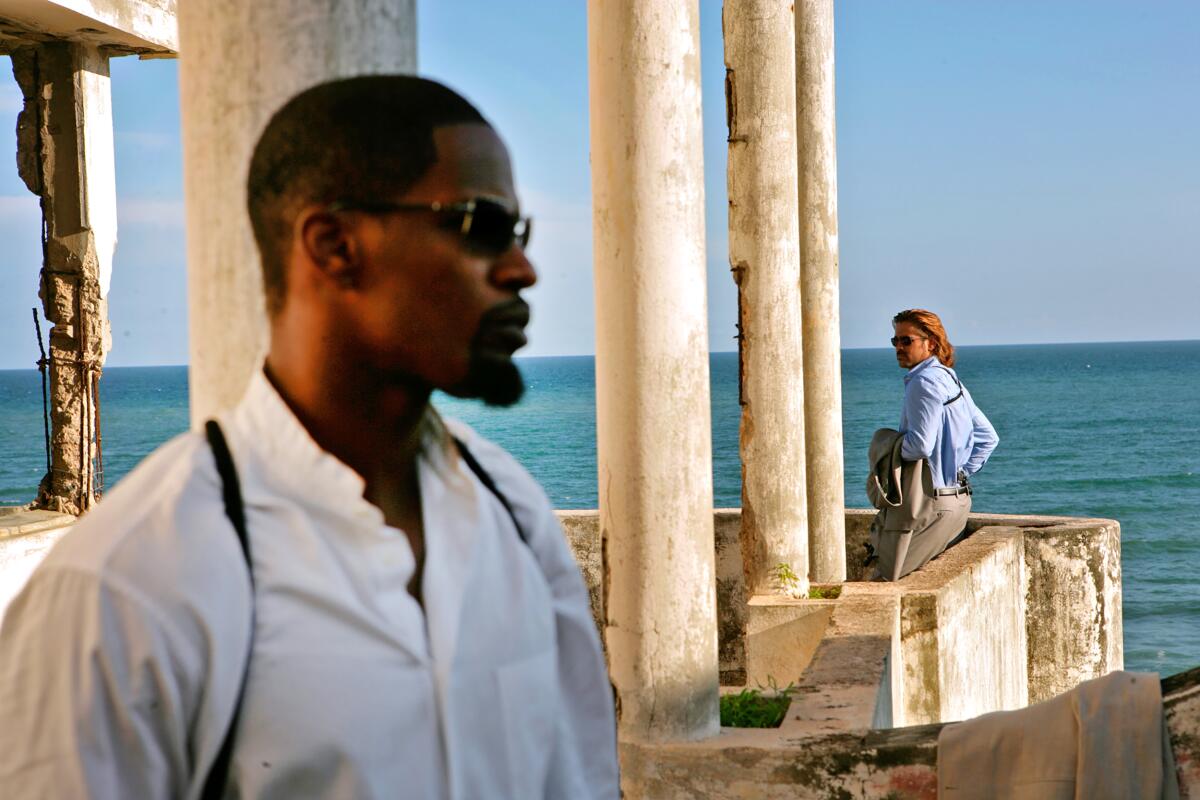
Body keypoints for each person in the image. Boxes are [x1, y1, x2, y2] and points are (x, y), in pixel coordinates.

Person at [0, 76, 619, 799]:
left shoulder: (511, 515)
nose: (521, 268)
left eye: (518, 234)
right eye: (480, 225)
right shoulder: (129, 588)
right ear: (334, 245)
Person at [866, 308, 998, 581]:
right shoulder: (949, 378)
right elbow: (987, 437)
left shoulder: (922, 382)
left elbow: (920, 446)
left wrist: (886, 449)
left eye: (907, 341)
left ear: (931, 343)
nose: (899, 348)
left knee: (886, 584)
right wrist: (957, 474)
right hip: (957, 502)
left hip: (928, 506)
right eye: (895, 341)